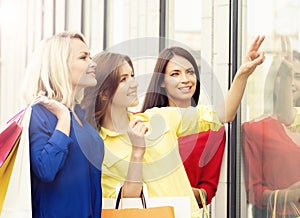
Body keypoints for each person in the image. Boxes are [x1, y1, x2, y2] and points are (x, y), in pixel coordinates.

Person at [82, 35, 265, 218]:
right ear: (104, 93)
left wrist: (243, 74)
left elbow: (224, 114)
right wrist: (137, 151)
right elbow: (125, 201)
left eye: (132, 75)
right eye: (124, 79)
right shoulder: (98, 145)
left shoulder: (159, 118)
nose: (134, 83)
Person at [21, 31, 104, 218]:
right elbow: (45, 170)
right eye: (83, 57)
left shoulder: (81, 118)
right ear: (59, 66)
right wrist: (63, 118)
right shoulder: (39, 114)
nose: (93, 63)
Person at [140, 46, 226, 207]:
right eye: (175, 74)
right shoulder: (146, 122)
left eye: (190, 72)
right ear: (162, 82)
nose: (185, 79)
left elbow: (208, 189)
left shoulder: (212, 129)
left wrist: (178, 191)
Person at [242, 37, 300, 217]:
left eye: (297, 77)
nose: (291, 82)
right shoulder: (255, 129)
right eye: (284, 76)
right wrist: (289, 195)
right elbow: (254, 193)